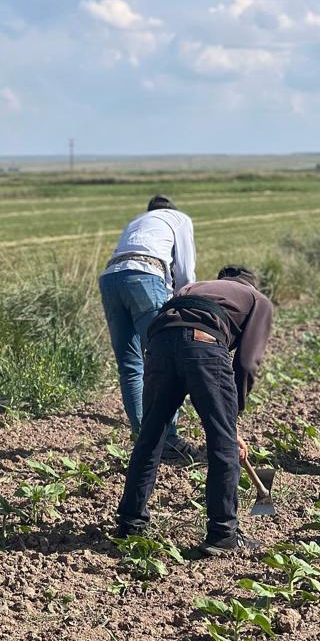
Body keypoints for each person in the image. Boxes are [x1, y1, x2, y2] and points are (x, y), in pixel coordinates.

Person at [117, 266, 273, 556]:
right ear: (251, 284)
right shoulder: (257, 299)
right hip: (204, 343)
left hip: (159, 344)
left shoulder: (193, 287)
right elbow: (247, 363)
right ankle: (223, 533)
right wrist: (232, 420)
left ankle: (130, 523)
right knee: (221, 443)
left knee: (151, 436)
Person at [99, 194, 198, 462]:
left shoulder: (137, 221)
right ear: (172, 210)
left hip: (110, 279)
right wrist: (182, 306)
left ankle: (143, 436)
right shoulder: (179, 219)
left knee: (130, 364)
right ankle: (169, 438)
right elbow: (186, 273)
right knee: (163, 361)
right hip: (145, 276)